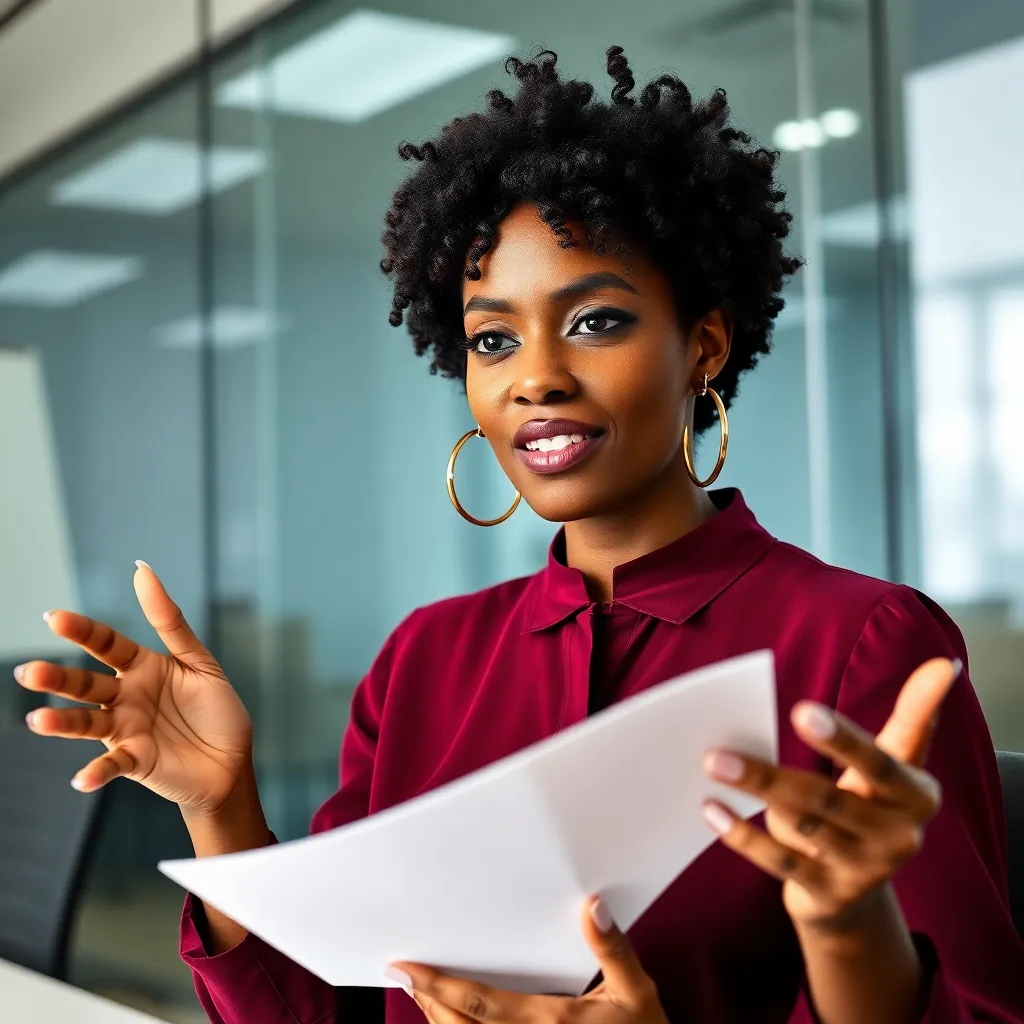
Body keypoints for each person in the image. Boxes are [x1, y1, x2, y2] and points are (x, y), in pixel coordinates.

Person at [14, 47, 1024, 1024]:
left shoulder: (864, 641)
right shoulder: (423, 658)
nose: (532, 375)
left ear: (703, 346)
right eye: (492, 338)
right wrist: (222, 804)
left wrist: (849, 930)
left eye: (594, 320)